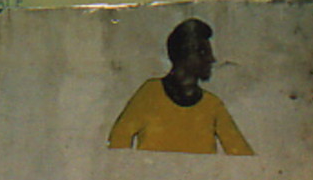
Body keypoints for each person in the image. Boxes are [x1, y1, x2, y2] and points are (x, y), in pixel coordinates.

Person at [107, 18, 253, 155]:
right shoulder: (150, 93)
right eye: (203, 52)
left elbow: (242, 154)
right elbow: (119, 138)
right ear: (185, 54)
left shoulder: (213, 105)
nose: (211, 59)